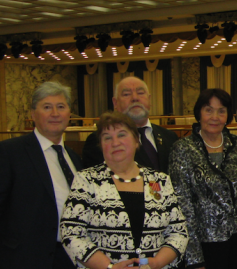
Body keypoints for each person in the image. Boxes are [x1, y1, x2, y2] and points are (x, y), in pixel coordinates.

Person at [61, 111, 188, 268]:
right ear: (101, 145)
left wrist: (157, 263)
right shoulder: (86, 180)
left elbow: (178, 232)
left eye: (121, 135)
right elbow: (71, 233)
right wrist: (109, 267)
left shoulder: (159, 181)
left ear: (136, 140)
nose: (115, 143)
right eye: (107, 138)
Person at [169, 89, 237, 269]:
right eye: (209, 110)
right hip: (208, 244)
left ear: (228, 116)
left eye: (221, 111)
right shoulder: (183, 149)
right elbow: (184, 208)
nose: (215, 117)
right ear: (199, 113)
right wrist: (194, 259)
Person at [0, 81, 83, 268]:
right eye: (47, 107)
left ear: (69, 114)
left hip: (71, 259)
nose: (55, 113)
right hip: (24, 260)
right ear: (33, 114)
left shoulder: (74, 158)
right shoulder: (9, 152)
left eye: (60, 107)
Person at [83, 76, 178, 171]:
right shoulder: (101, 140)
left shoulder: (170, 137)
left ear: (149, 99)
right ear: (115, 103)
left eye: (140, 93)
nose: (135, 98)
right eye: (126, 94)